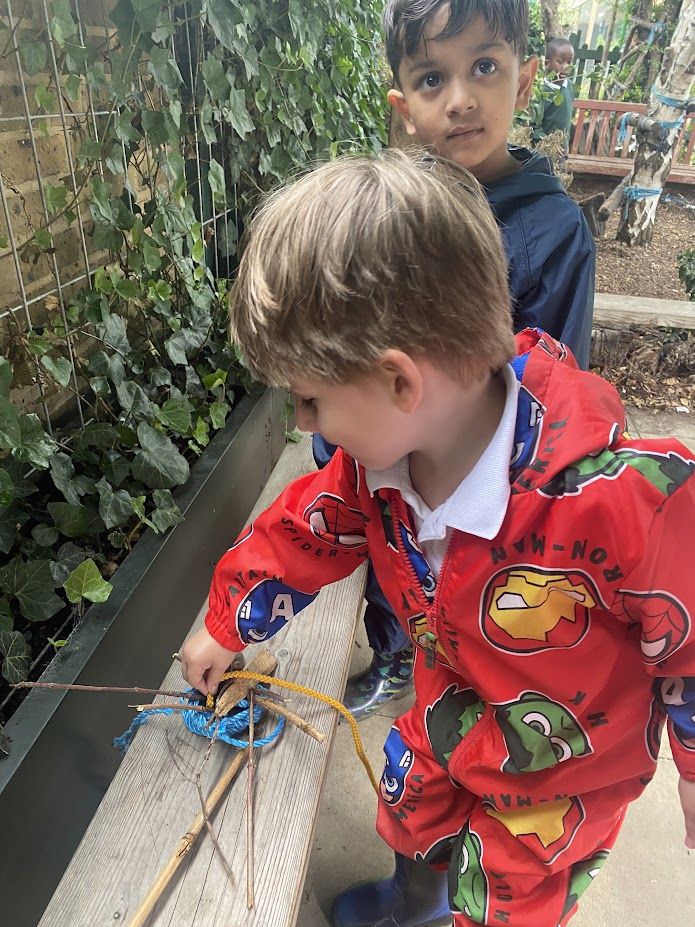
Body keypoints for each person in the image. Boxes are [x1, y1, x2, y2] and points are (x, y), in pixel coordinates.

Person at [180, 150, 695, 927]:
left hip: (560, 777)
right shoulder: (376, 469)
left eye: (310, 399)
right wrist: (227, 620)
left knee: (508, 901)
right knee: (410, 801)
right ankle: (411, 903)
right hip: (450, 705)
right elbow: (299, 531)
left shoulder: (625, 500)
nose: (301, 425)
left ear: (399, 382)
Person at [314, 0, 596, 723]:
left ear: (524, 80)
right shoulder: (392, 212)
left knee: (473, 598)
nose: (460, 98)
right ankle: (393, 651)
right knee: (392, 562)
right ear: (403, 105)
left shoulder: (553, 230)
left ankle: (477, 674)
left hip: (488, 475)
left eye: (483, 67)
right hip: (390, 455)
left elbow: (558, 372)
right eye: (432, 78)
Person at [531, 38, 576, 158]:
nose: (565, 67)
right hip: (543, 152)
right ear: (547, 64)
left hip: (562, 152)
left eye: (569, 62)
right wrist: (549, 144)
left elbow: (568, 117)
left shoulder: (569, 87)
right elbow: (534, 126)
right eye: (560, 62)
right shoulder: (541, 92)